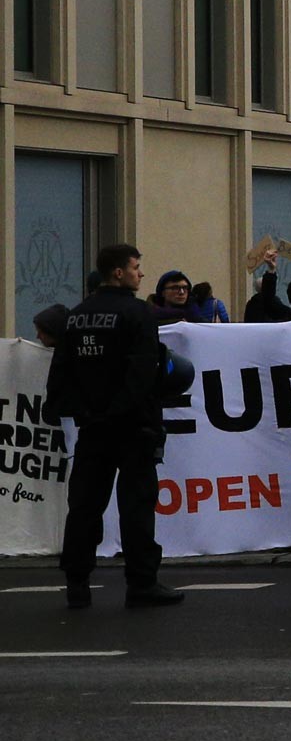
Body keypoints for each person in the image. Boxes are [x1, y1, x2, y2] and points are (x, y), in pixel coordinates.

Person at [46, 244, 186, 610]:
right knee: (136, 506)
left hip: (92, 427)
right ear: (119, 273)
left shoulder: (77, 316)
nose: (141, 274)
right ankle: (141, 583)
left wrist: (82, 411)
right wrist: (120, 410)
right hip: (132, 426)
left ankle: (77, 582)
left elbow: (61, 373)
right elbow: (143, 372)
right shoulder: (137, 312)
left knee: (85, 506)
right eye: (137, 267)